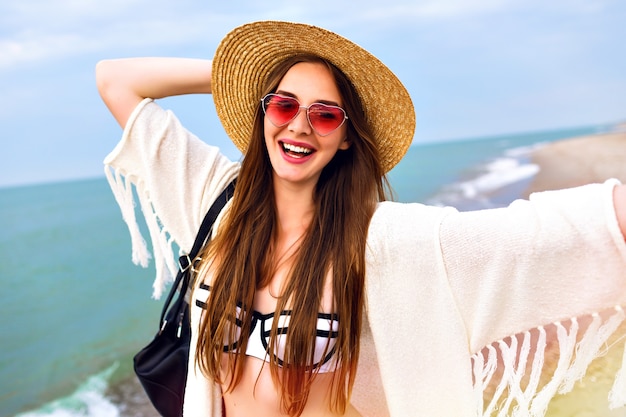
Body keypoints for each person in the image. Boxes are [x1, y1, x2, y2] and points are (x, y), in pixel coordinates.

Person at [96, 21, 626, 417]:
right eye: (283, 106)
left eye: (324, 114)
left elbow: (532, 238)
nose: (300, 126)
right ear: (264, 114)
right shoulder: (216, 199)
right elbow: (116, 80)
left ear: (346, 135)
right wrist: (251, 75)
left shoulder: (380, 240)